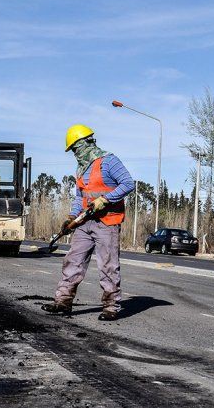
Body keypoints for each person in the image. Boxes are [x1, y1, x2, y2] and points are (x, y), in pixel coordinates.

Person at [42, 124, 134, 321]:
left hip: (107, 223)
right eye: (73, 150)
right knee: (73, 261)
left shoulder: (109, 161)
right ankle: (63, 302)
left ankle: (111, 306)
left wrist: (105, 199)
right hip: (85, 223)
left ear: (85, 143)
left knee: (108, 265)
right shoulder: (81, 167)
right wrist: (71, 218)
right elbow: (80, 197)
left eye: (76, 148)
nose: (75, 153)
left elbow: (128, 183)